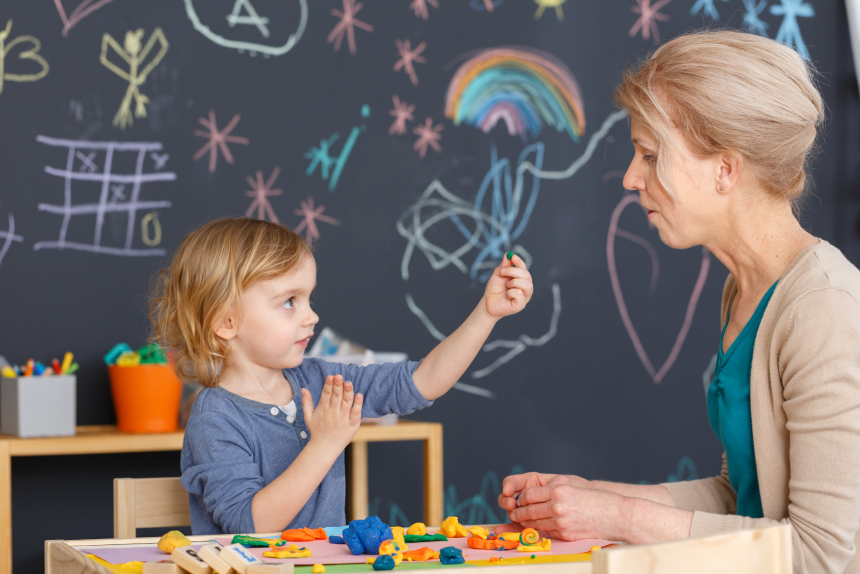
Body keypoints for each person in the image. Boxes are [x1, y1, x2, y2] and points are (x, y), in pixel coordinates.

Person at [497, 30, 860, 573]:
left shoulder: (823, 308)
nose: (629, 177)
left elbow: (825, 554)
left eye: (649, 154)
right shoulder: (743, 291)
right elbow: (743, 497)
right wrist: (591, 498)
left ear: (725, 169)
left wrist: (621, 517)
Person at [150, 217, 534, 534]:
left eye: (309, 298)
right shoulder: (215, 418)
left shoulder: (316, 380)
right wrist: (325, 445)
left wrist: (487, 314)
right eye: (289, 302)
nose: (311, 316)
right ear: (226, 321)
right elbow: (248, 525)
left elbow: (421, 383)